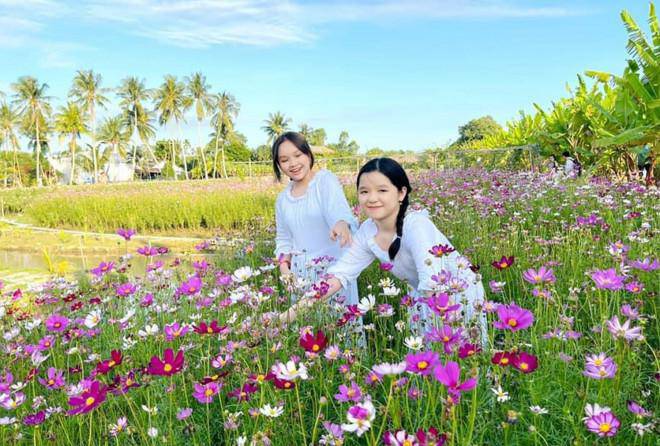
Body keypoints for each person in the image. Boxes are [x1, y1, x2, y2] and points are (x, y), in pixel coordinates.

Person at [281, 157, 487, 340]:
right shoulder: (367, 232)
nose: (372, 198)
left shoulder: (416, 226)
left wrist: (446, 333)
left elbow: (433, 284)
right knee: (428, 370)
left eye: (382, 190)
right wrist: (287, 316)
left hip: (457, 299)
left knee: (461, 364)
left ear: (401, 192)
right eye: (364, 191)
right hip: (423, 297)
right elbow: (335, 278)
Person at [272, 131, 359, 307]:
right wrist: (284, 269)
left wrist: (342, 224)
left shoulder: (324, 181)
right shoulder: (282, 200)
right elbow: (283, 239)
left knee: (339, 329)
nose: (293, 164)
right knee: (308, 328)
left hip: (333, 273)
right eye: (284, 160)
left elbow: (339, 211)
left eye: (298, 155)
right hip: (300, 276)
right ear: (278, 165)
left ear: (308, 154)